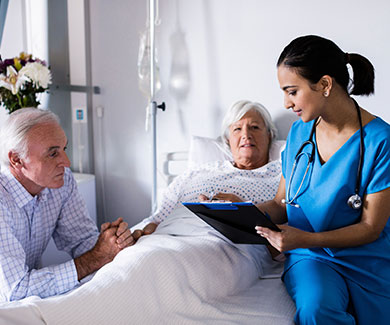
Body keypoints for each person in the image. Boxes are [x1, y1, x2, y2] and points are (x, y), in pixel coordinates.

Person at [255, 35, 390, 324]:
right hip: (311, 256)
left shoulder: (381, 141)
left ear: (325, 84)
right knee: (317, 308)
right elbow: (282, 202)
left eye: (292, 91)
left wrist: (307, 237)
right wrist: (240, 210)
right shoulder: (299, 134)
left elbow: (370, 228)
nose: (286, 103)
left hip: (367, 258)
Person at [0, 107, 134, 302]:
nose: (67, 162)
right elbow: (16, 290)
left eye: (64, 149)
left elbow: (82, 241)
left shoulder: (61, 182)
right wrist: (97, 256)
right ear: (17, 160)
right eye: (53, 154)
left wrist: (111, 242)